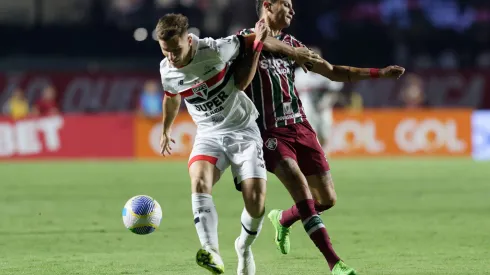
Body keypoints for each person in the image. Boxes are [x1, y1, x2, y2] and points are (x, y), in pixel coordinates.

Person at [235, 1, 405, 274]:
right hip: (270, 133)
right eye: (286, 4)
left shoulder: (293, 43)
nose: (292, 10)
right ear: (267, 4)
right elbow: (248, 62)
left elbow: (334, 71)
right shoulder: (244, 40)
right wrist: (287, 52)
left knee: (326, 200)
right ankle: (334, 262)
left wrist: (379, 73)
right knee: (301, 191)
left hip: (301, 127)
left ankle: (283, 219)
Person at [156, 14, 319, 275]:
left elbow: (259, 39)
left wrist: (295, 53)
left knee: (256, 202)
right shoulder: (167, 69)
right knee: (199, 180)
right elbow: (171, 96)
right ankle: (211, 251)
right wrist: (166, 128)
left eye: (176, 50)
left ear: (188, 40)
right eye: (166, 52)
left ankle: (243, 247)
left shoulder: (214, 49)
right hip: (208, 134)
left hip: (243, 129)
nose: (172, 58)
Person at [294, 46, 344, 151]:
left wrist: (327, 103)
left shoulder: (328, 72)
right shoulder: (299, 74)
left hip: (324, 106)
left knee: (324, 134)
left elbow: (335, 92)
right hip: (306, 106)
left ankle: (324, 152)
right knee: (310, 131)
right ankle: (312, 155)